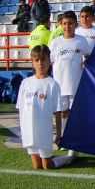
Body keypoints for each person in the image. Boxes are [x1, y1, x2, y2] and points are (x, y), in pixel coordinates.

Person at [16, 45, 73, 170]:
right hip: (29, 132)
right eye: (37, 60)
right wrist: (22, 130)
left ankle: (69, 157)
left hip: (43, 132)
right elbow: (21, 109)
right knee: (37, 166)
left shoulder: (52, 85)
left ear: (49, 61)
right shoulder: (25, 83)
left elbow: (58, 112)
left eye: (43, 59)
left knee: (47, 166)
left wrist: (59, 135)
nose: (40, 63)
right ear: (32, 62)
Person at [49, 11, 90, 158]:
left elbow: (88, 55)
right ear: (60, 25)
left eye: (70, 23)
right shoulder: (55, 42)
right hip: (59, 84)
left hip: (75, 83)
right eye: (64, 23)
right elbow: (52, 61)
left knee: (74, 114)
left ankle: (74, 144)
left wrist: (86, 60)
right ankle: (64, 139)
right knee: (62, 112)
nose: (67, 26)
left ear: (75, 25)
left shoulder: (81, 40)